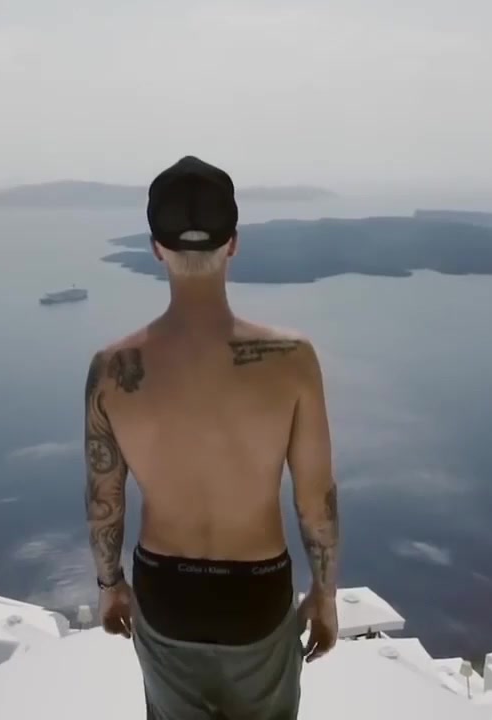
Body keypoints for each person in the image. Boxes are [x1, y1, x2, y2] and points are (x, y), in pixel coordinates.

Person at [83, 155, 341, 719]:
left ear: (157, 249)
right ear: (233, 244)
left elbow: (105, 497)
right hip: (256, 594)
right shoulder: (293, 360)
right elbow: (315, 498)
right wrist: (325, 594)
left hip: (165, 590)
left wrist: (109, 585)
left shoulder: (111, 369)